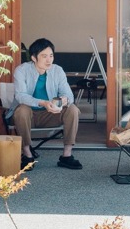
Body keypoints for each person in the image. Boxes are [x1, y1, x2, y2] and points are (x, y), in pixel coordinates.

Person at [5, 38, 83, 171]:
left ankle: (67, 155)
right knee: (22, 110)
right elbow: (21, 96)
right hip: (28, 116)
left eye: (51, 56)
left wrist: (63, 100)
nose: (49, 60)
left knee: (73, 109)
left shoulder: (58, 70)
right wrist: (43, 103)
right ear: (34, 58)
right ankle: (27, 155)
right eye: (44, 56)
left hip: (51, 114)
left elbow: (69, 95)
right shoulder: (21, 70)